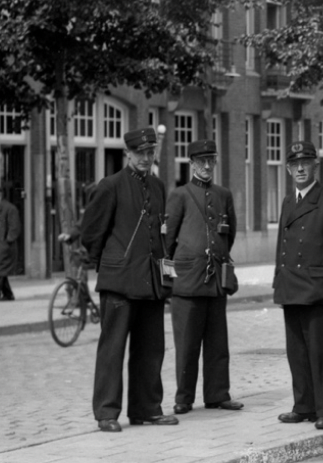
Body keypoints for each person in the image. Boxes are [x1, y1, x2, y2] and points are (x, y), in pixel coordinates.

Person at [80, 126, 177, 433]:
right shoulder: (110, 186)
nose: (146, 159)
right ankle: (106, 412)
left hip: (150, 282)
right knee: (112, 349)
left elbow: (161, 236)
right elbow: (90, 233)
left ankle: (146, 408)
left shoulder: (159, 186)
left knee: (151, 348)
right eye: (140, 153)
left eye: (150, 153)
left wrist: (166, 278)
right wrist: (110, 264)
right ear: (128, 154)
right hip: (119, 282)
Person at [274, 140, 323, 430]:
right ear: (289, 169)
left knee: (320, 353)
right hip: (291, 286)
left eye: (305, 163)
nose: (300, 169)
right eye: (295, 165)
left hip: (319, 289)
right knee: (296, 351)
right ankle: (303, 405)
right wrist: (278, 281)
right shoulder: (287, 201)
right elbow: (282, 243)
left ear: (315, 166)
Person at [164, 139, 242, 415]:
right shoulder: (180, 195)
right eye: (201, 161)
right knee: (186, 345)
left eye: (211, 160)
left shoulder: (223, 195)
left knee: (218, 343)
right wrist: (169, 279)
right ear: (191, 164)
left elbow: (229, 235)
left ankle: (218, 394)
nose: (207, 166)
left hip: (215, 281)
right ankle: (184, 398)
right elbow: (167, 242)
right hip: (186, 282)